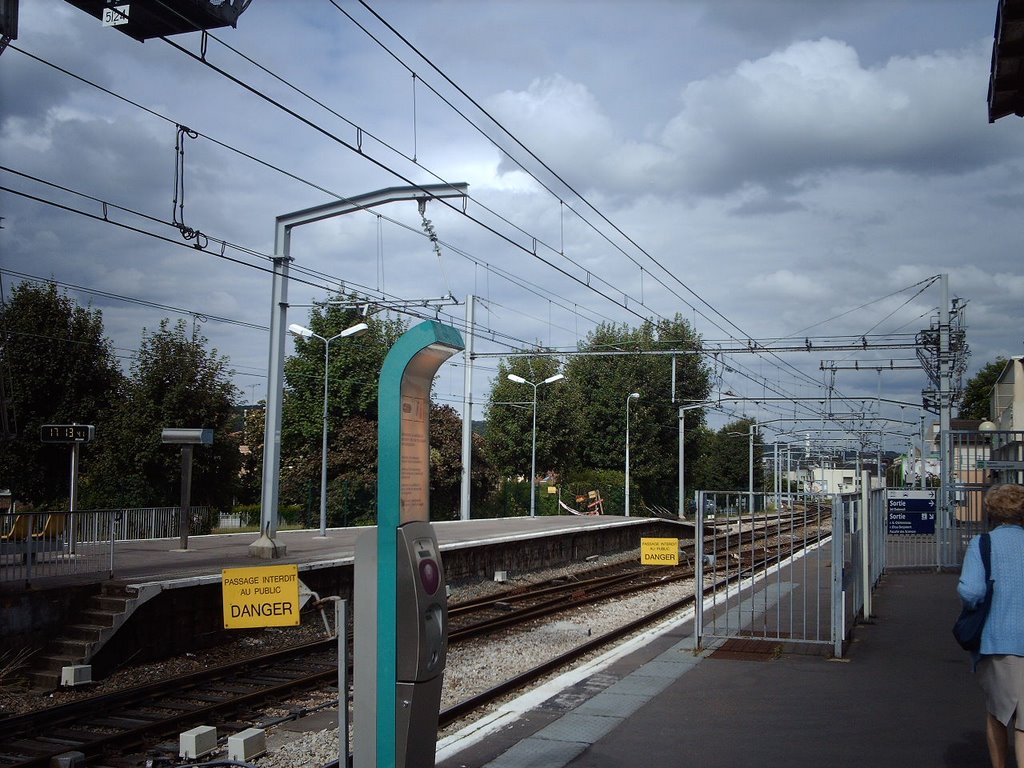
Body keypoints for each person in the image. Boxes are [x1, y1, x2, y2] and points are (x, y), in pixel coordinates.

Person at [958, 483, 1024, 768]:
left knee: (999, 713)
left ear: (992, 512)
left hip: (999, 641)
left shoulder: (983, 544)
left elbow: (971, 591)